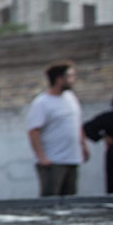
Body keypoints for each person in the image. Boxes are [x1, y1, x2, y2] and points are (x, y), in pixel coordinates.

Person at [27, 61, 89, 197]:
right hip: (53, 161)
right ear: (59, 79)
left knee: (70, 199)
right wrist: (42, 157)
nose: (73, 80)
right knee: (51, 199)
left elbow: (77, 124)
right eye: (70, 76)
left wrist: (83, 147)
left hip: (72, 158)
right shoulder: (42, 103)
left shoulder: (71, 98)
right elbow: (33, 131)